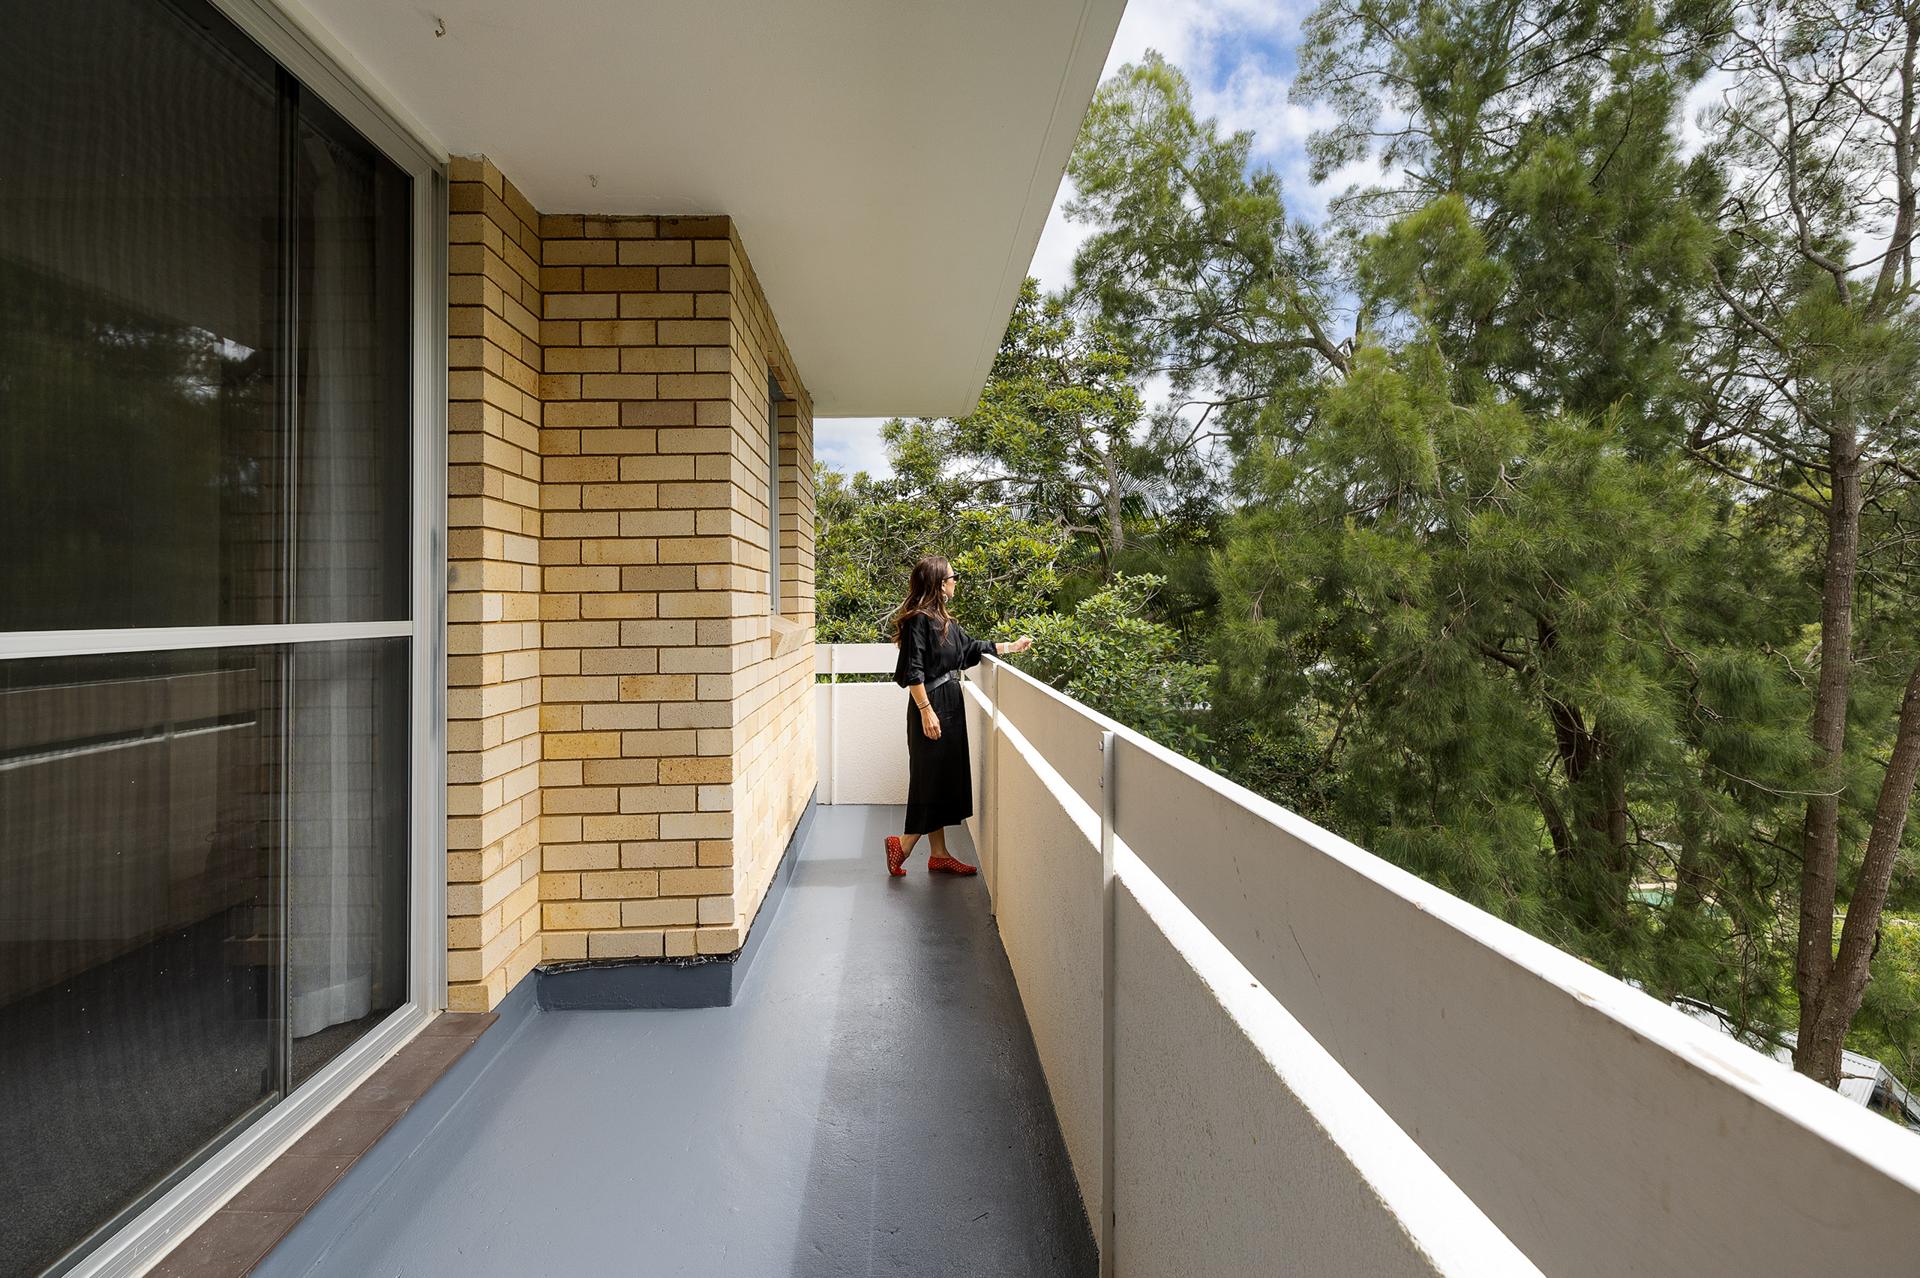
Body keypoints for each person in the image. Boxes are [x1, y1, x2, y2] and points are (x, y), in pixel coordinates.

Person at [884, 555, 1033, 876]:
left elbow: (971, 649)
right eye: (953, 577)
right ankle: (903, 844)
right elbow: (913, 671)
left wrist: (1011, 647)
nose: (955, 582)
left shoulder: (946, 622)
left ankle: (938, 854)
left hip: (950, 703)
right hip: (931, 705)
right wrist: (926, 711)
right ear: (939, 584)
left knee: (940, 778)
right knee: (930, 779)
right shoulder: (918, 620)